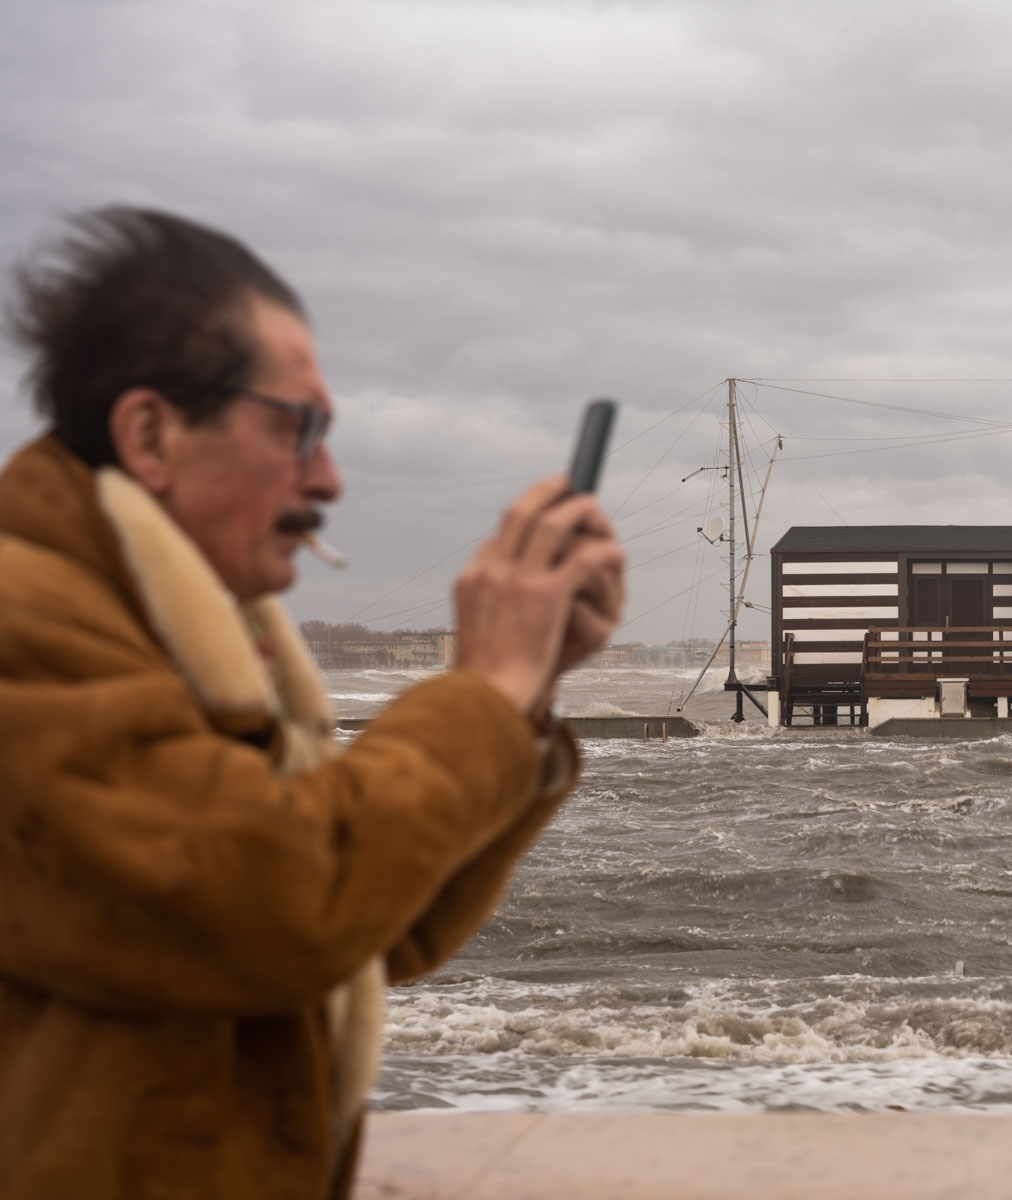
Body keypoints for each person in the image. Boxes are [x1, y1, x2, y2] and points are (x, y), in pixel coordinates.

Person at [0, 207, 625, 1199]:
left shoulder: (195, 641)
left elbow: (382, 930)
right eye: (299, 427)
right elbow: (281, 905)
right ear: (152, 433)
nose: (328, 477)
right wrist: (480, 693)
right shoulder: (26, 625)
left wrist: (527, 692)